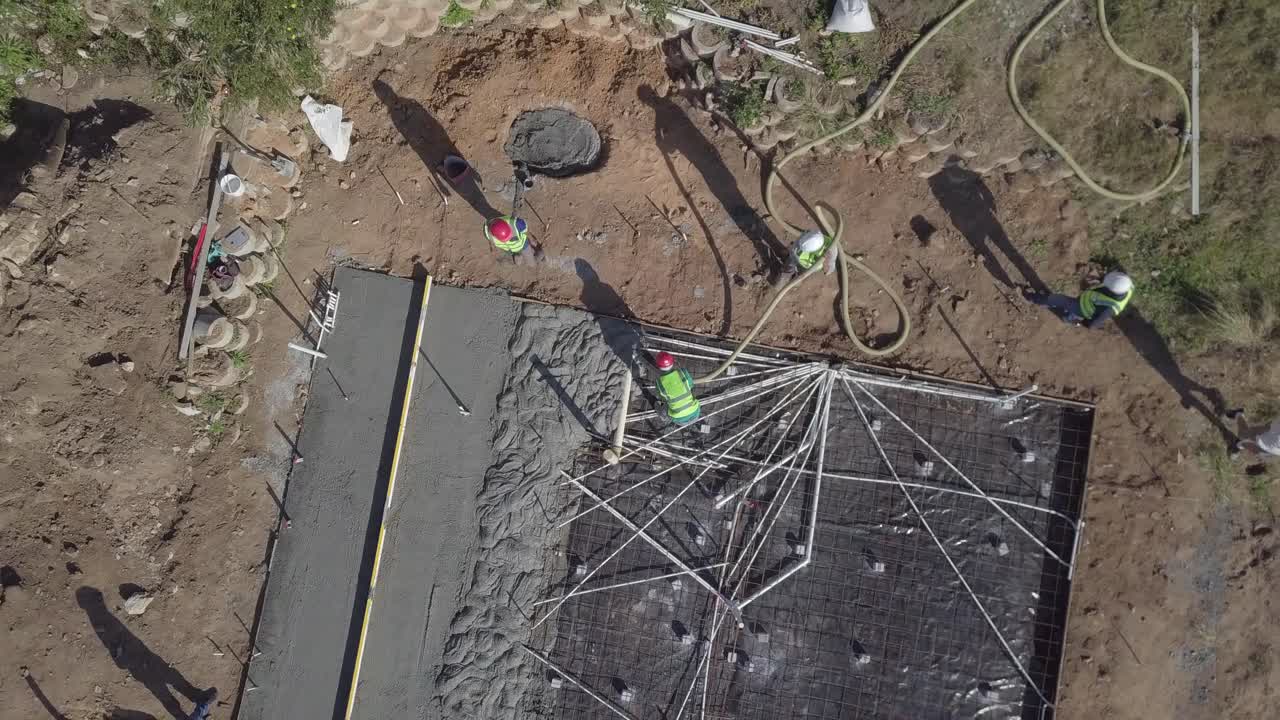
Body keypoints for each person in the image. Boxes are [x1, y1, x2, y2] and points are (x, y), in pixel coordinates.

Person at [1029, 270, 1133, 329]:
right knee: (1072, 314)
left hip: (1082, 309)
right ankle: (1068, 318)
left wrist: (1083, 323)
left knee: (1059, 300)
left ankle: (1035, 298)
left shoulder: (1109, 308)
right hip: (1087, 301)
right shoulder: (1127, 286)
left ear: (1112, 291)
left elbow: (1093, 324)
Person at [773, 229, 837, 286]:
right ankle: (785, 274)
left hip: (807, 266)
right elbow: (797, 244)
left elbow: (828, 271)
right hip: (796, 255)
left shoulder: (831, 251)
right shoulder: (811, 236)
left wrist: (826, 263)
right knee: (790, 264)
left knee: (799, 272)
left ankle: (794, 279)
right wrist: (790, 250)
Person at [653, 351, 701, 425]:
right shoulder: (682, 372)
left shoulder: (659, 383)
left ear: (657, 365)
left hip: (679, 420)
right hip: (695, 412)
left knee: (659, 404)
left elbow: (662, 399)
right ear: (672, 362)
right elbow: (691, 385)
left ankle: (665, 418)